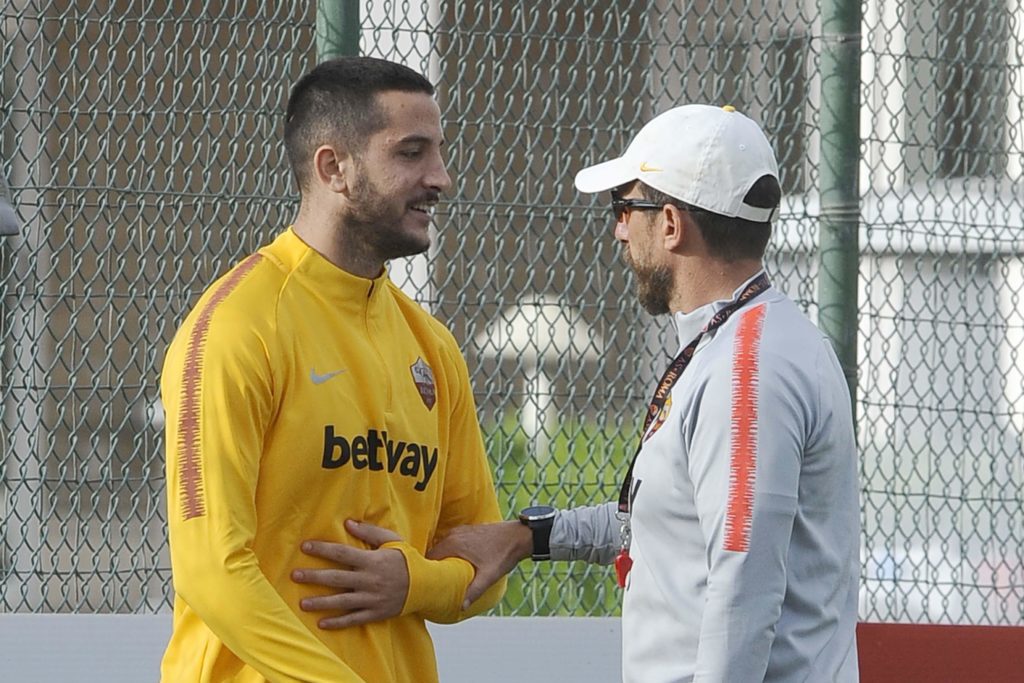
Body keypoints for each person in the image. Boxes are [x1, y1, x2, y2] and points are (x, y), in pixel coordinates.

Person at [423, 104, 862, 681]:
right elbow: (666, 521)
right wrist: (527, 537)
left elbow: (743, 590)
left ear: (672, 224)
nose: (619, 229)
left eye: (625, 208)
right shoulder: (745, 343)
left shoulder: (746, 369)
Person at [159, 56, 506, 683]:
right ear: (333, 168)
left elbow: (482, 571)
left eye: (439, 152)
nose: (441, 178)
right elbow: (212, 570)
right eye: (411, 152)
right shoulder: (238, 327)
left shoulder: (433, 349)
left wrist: (414, 583)